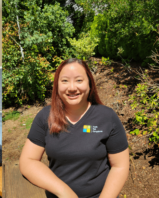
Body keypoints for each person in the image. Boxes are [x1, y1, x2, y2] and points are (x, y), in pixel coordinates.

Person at [20, 58, 129, 198]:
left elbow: (120, 166)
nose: (72, 87)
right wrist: (64, 192)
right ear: (57, 85)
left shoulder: (107, 117)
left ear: (89, 83)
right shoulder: (45, 117)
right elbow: (28, 161)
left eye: (79, 80)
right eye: (65, 81)